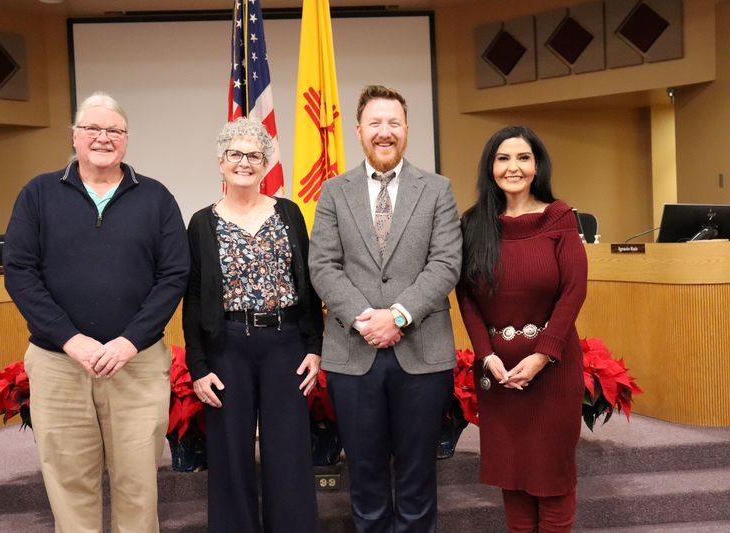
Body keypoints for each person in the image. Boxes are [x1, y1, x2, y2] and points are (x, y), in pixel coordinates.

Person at [3, 92, 190, 532]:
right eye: (93, 128)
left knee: (138, 485)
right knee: (70, 484)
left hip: (137, 365)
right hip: (58, 364)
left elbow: (174, 276)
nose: (103, 138)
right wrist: (71, 339)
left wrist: (129, 341)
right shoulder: (38, 194)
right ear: (75, 136)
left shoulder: (156, 198)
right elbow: (20, 272)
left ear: (126, 140)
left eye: (114, 131)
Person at [309, 85, 462, 532]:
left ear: (407, 130)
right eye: (375, 123)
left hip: (422, 352)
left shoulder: (436, 189)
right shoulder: (334, 191)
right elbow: (322, 265)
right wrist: (365, 318)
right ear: (358, 131)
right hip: (353, 355)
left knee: (417, 477)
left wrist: (396, 315)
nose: (385, 132)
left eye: (394, 123)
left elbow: (447, 262)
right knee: (366, 476)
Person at [183, 117, 323, 533]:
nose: (245, 162)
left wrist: (315, 345)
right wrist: (197, 365)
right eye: (236, 155)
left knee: (289, 454)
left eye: (254, 156)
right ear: (221, 162)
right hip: (227, 346)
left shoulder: (289, 213)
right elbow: (192, 297)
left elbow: (309, 283)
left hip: (286, 344)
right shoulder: (201, 222)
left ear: (266, 165)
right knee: (229, 456)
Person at [456, 126, 588, 533]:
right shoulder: (473, 223)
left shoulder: (559, 217)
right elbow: (467, 297)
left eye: (523, 158)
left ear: (537, 166)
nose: (513, 167)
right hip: (498, 371)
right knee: (512, 477)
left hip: (552, 367)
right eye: (503, 158)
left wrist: (542, 354)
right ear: (490, 167)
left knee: (552, 478)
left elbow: (574, 292)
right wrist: (486, 354)